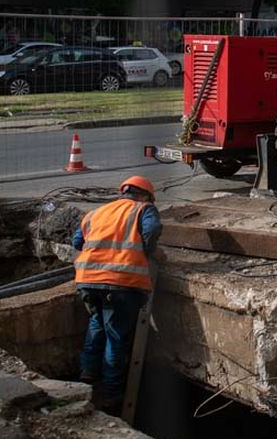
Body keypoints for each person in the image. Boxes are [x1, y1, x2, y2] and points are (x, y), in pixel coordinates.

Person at [72, 175, 163, 414]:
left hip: (87, 280)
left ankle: (87, 375)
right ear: (145, 196)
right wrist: (148, 250)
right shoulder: (145, 209)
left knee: (97, 326)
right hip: (121, 282)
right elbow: (152, 230)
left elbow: (76, 241)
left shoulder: (97, 212)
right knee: (116, 337)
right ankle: (111, 393)